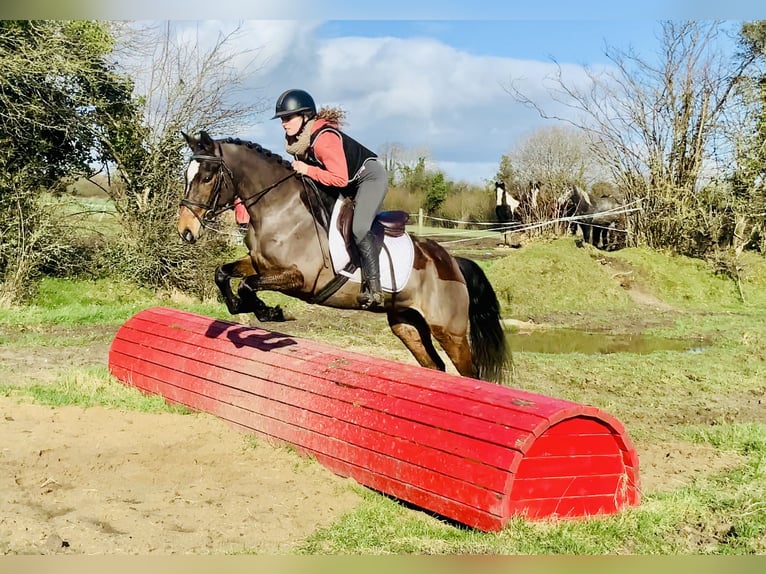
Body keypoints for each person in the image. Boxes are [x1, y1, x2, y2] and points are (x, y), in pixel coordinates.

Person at [272, 88, 388, 309]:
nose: (283, 123)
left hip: (369, 178)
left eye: (288, 118)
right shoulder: (301, 143)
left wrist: (307, 169)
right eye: (281, 119)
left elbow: (340, 179)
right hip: (351, 182)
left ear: (305, 116)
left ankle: (374, 288)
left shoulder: (324, 139)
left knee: (360, 228)